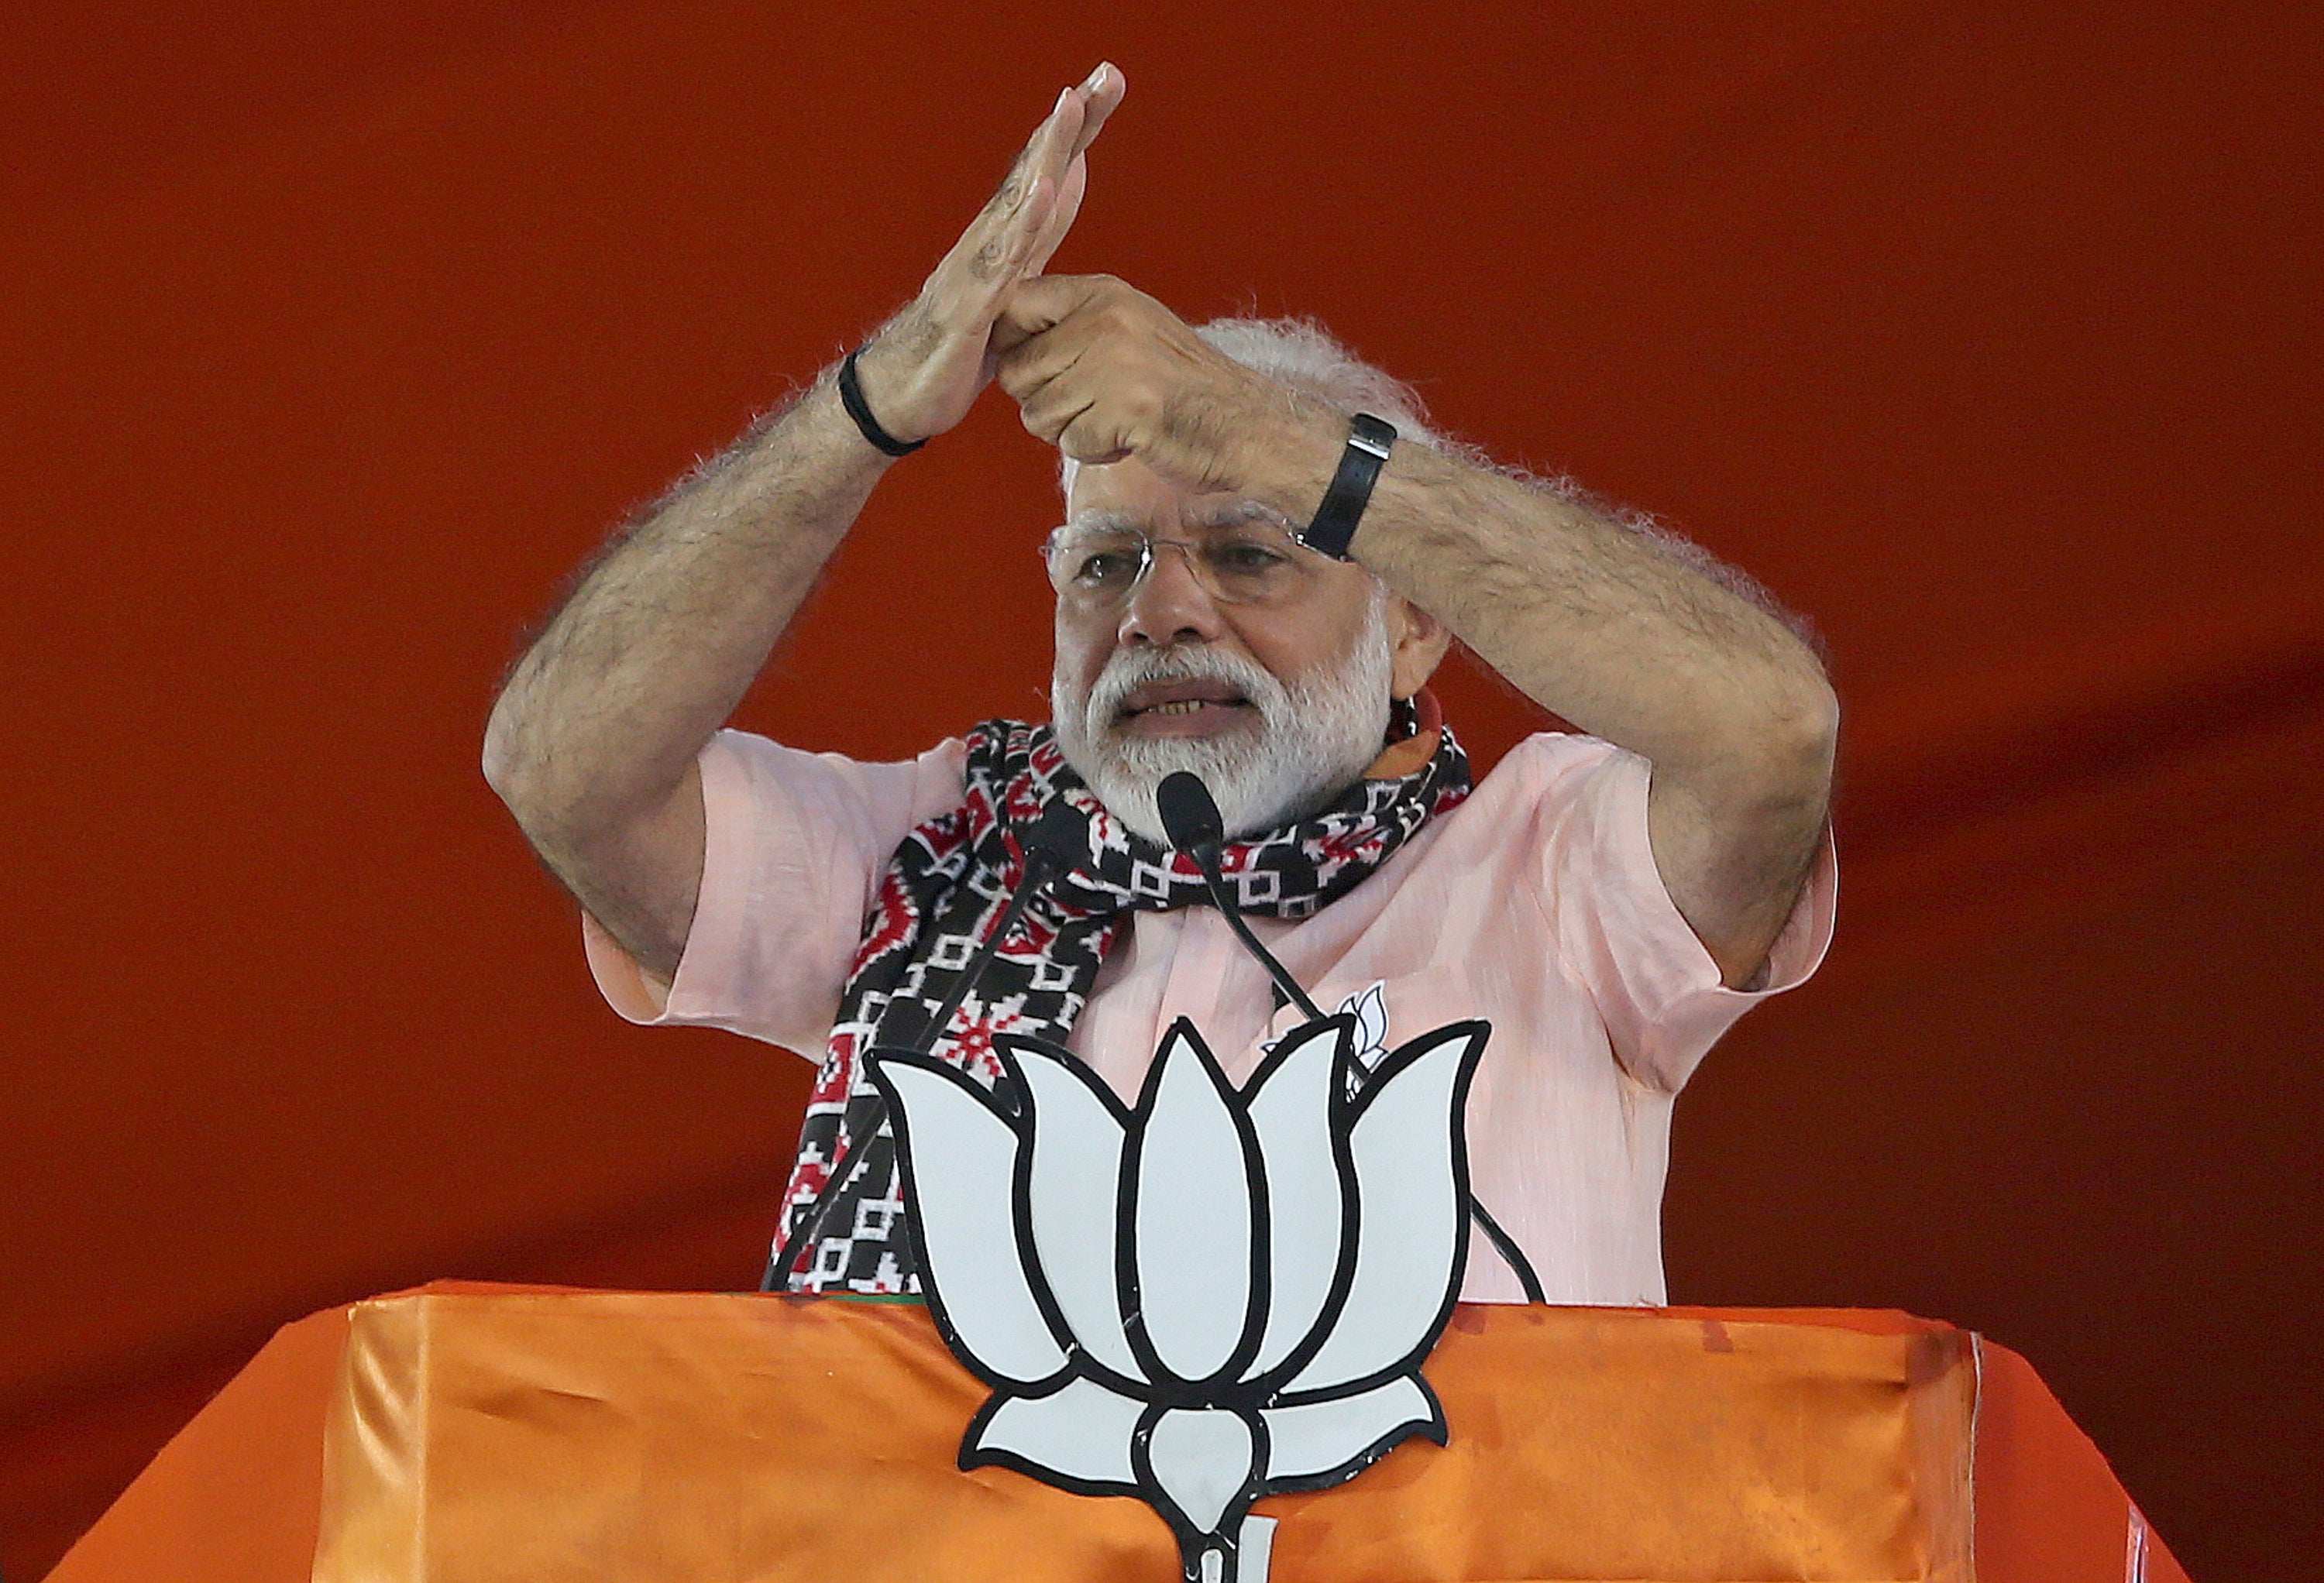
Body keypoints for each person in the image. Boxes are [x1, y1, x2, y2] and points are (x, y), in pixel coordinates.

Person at [483, 64, 1838, 1305]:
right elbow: (564, 771)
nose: (1159, 611)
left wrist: (1263, 431)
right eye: (1105, 563)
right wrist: (874, 403)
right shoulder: (932, 858)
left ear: (1415, 626)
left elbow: (1771, 730)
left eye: (1249, 554)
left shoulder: (1555, 865)